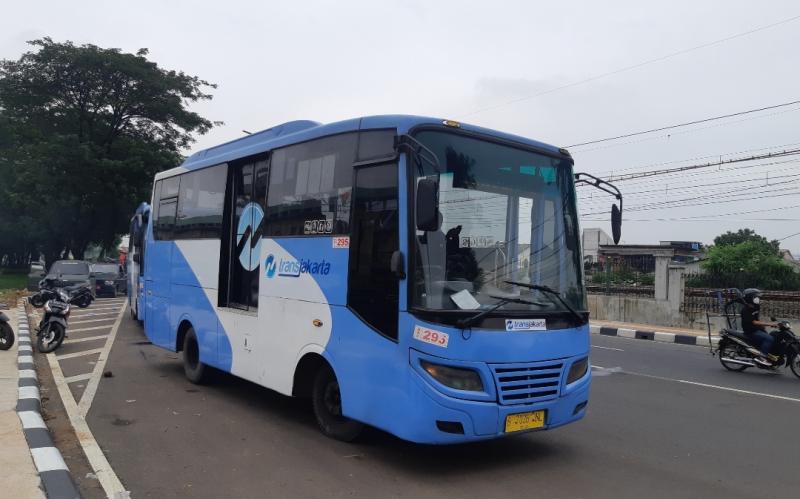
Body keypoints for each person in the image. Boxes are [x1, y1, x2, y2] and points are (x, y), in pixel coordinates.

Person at [740, 288, 779, 367]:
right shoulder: (745, 310)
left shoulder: (756, 307)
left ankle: (770, 357)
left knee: (773, 335)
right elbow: (754, 322)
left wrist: (767, 325)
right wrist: (768, 323)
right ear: (750, 298)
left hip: (756, 329)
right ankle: (761, 357)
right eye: (756, 297)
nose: (758, 299)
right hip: (750, 331)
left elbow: (757, 319)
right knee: (769, 339)